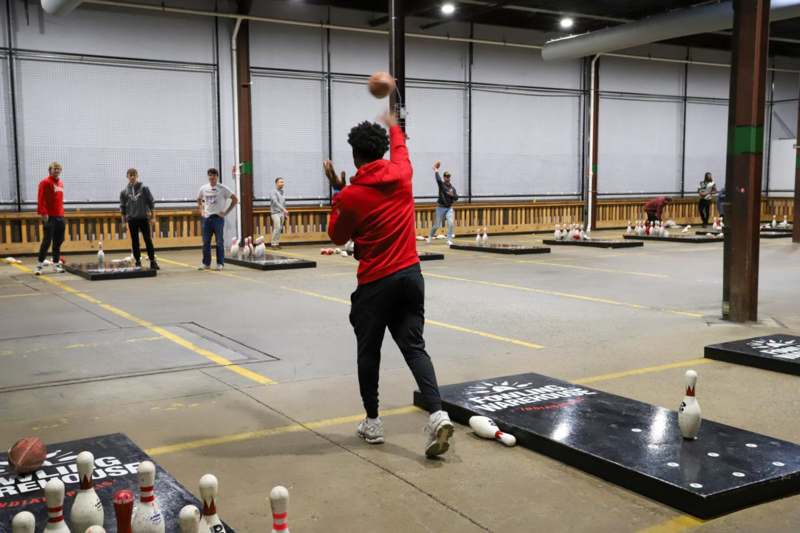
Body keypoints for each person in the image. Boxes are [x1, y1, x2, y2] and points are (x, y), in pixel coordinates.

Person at [323, 111, 454, 458]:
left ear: (355, 156)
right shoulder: (402, 172)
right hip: (411, 276)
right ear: (381, 151)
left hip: (376, 284)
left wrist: (338, 190)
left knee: (369, 352)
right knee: (414, 347)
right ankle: (438, 413)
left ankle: (373, 422)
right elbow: (401, 143)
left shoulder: (351, 195)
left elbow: (336, 235)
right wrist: (394, 120)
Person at [197, 168, 237, 271]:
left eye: (214, 175)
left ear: (217, 177)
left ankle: (220, 263)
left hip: (218, 219)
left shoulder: (223, 188)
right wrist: (201, 210)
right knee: (206, 242)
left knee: (219, 241)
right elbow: (198, 199)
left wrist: (226, 212)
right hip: (207, 219)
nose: (212, 177)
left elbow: (235, 199)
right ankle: (206, 263)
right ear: (208, 176)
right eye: (210, 175)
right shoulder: (203, 188)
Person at [120, 168, 159, 270]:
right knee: (135, 241)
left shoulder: (144, 188)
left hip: (143, 218)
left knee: (147, 239)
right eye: (130, 175)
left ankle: (152, 261)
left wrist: (153, 217)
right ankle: (138, 261)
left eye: (134, 175)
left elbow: (151, 203)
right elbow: (123, 208)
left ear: (137, 176)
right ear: (127, 177)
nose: (132, 177)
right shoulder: (124, 192)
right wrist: (123, 222)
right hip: (132, 220)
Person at [35, 162, 66, 275]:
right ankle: (39, 265)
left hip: (60, 216)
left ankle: (56, 264)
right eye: (55, 169)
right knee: (47, 241)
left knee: (58, 241)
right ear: (50, 170)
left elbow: (59, 200)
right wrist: (43, 213)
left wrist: (62, 214)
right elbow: (40, 198)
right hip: (49, 217)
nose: (57, 171)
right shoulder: (45, 182)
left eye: (58, 169)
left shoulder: (61, 183)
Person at [426, 161, 459, 245]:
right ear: (444, 177)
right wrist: (436, 170)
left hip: (449, 208)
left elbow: (456, 198)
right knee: (437, 225)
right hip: (440, 207)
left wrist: (452, 195)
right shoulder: (442, 185)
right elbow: (438, 179)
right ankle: (430, 237)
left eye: (449, 176)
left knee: (451, 223)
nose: (448, 178)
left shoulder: (452, 188)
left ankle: (449, 239)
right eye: (446, 176)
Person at [269, 177, 289, 249]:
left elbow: (283, 203)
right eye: (280, 182)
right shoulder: (273, 192)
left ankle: (277, 243)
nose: (282, 183)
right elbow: (275, 202)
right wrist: (283, 209)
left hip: (282, 213)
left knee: (280, 228)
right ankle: (273, 243)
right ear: (276, 183)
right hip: (275, 213)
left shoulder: (282, 192)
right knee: (277, 227)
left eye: (283, 182)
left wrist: (285, 213)